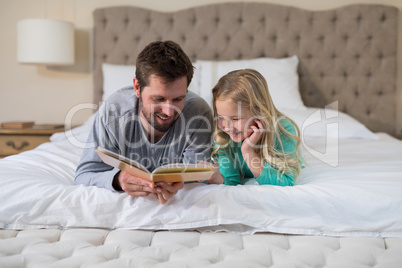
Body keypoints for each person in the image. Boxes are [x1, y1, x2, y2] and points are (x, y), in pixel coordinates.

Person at [75, 40, 213, 204]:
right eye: (158, 99)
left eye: (178, 99)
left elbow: (197, 175)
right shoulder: (114, 111)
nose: (169, 112)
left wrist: (178, 183)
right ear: (137, 87)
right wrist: (118, 180)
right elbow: (84, 176)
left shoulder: (199, 114)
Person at [200, 69, 303, 186]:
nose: (227, 127)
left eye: (235, 119)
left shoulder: (283, 130)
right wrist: (216, 177)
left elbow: (287, 181)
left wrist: (248, 152)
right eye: (221, 118)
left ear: (259, 112)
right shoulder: (223, 137)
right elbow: (231, 183)